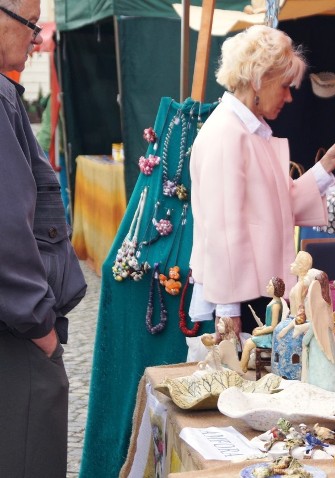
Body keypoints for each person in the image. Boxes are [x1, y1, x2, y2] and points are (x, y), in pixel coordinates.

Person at [188, 25, 335, 335]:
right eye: (285, 86)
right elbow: (223, 230)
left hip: (261, 292)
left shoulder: (247, 131)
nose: (290, 97)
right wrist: (228, 312)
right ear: (259, 79)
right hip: (245, 298)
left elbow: (280, 202)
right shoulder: (228, 134)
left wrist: (326, 165)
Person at [1, 0, 88, 474]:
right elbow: (6, 235)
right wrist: (42, 330)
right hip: (16, 337)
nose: (38, 38)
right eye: (31, 24)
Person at [240, 277, 287, 373]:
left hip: (271, 337)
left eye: (269, 285)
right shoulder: (273, 303)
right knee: (248, 343)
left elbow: (273, 326)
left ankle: (242, 369)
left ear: (275, 288)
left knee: (248, 344)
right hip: (268, 332)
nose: (267, 287)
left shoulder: (276, 305)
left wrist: (260, 332)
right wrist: (260, 328)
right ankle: (242, 368)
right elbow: (268, 324)